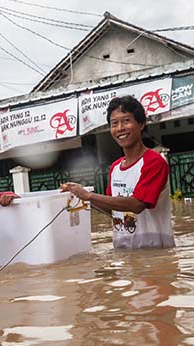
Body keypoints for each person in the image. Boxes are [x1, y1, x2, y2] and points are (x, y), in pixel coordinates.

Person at [61, 95, 174, 249]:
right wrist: (80, 196)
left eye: (126, 121)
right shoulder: (115, 168)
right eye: (114, 123)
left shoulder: (154, 161)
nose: (120, 128)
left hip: (154, 253)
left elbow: (137, 204)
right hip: (124, 254)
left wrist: (89, 195)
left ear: (141, 124)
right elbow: (113, 210)